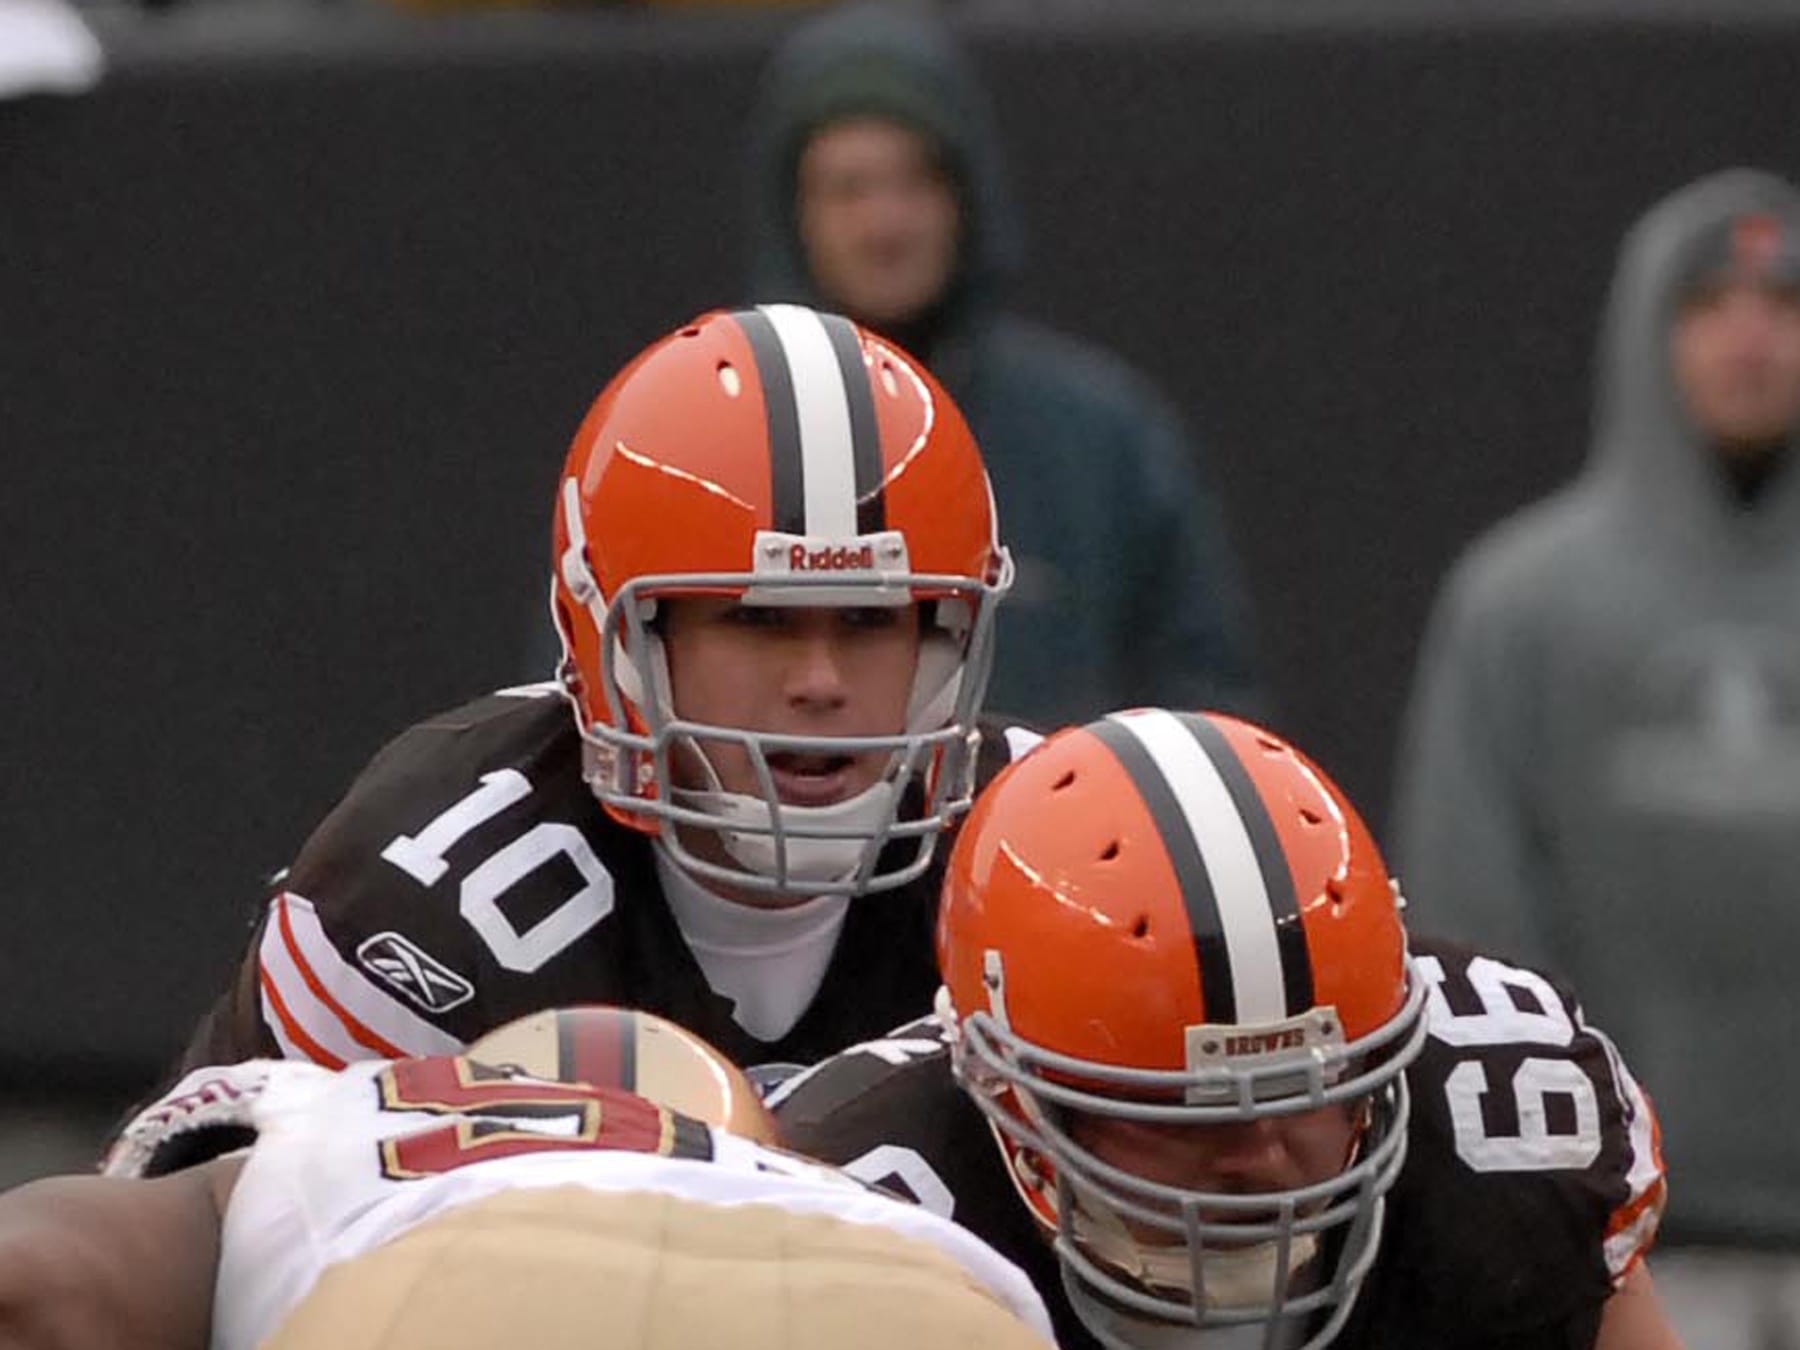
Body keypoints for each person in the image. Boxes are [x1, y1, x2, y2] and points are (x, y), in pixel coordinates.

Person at [173, 303, 1029, 1089]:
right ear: (622, 645)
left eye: (872, 622)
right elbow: (232, 1233)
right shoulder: (424, 902)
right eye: (757, 619)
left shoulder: (1043, 864)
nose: (820, 682)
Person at [770, 708, 1678, 1349]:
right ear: (1014, 1093)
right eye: (1180, 1111)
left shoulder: (1503, 1160)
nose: (1257, 1155)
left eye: (1304, 1089)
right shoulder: (861, 1219)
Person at [1391, 168, 1800, 1348]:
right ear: (1645, 330)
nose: (1752, 338)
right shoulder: (1521, 605)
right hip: (1628, 1248)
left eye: (1783, 304)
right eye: (1711, 303)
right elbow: (1472, 929)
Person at [742, 1, 1260, 726]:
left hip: (1062, 834)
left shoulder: (1103, 439)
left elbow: (1208, 712)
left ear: (968, 198)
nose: (885, 223)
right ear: (793, 211)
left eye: (916, 181)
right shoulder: (707, 439)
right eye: (849, 188)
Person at [0, 1006, 1055, 1350]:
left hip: (464, 1291)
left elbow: (35, 1281)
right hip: (923, 1304)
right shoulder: (817, 1189)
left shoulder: (333, 1122)